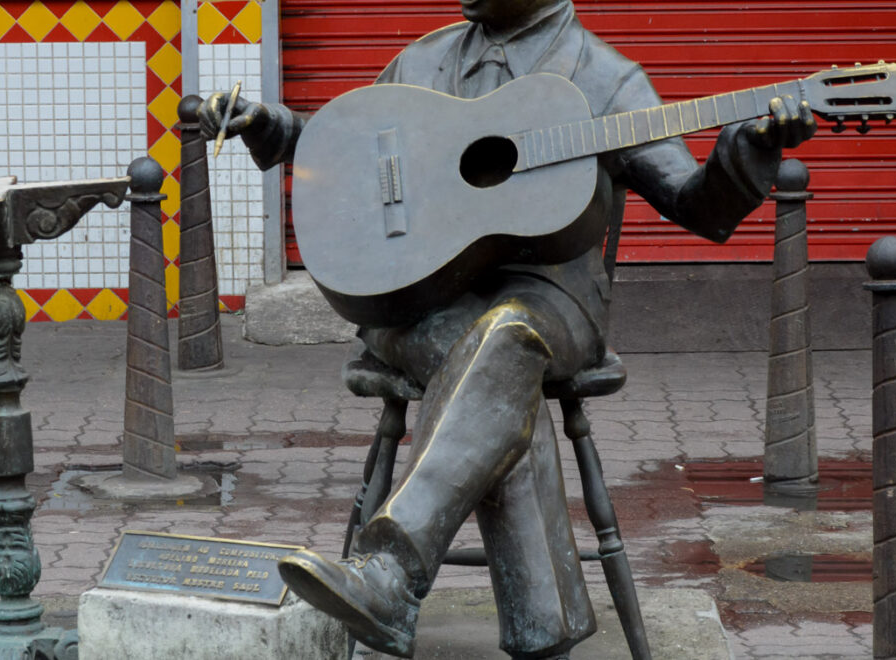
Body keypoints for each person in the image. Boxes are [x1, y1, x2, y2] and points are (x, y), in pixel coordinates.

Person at [200, 1, 815, 657]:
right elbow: (350, 138)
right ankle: (538, 625)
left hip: (553, 300)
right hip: (415, 302)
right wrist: (274, 127)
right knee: (498, 359)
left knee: (509, 335)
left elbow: (693, 203)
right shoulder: (427, 57)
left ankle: (391, 573)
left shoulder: (605, 80)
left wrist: (749, 153)